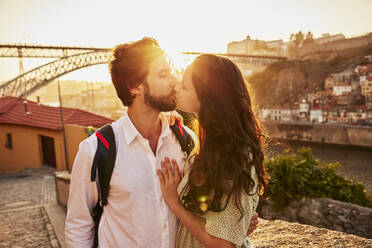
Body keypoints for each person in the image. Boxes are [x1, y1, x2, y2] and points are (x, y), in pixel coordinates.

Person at [65, 38, 258, 248]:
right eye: (163, 74)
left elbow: (208, 208)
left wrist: (234, 224)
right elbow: (78, 226)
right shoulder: (95, 151)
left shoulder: (186, 141)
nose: (175, 81)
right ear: (134, 87)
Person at [157, 54, 267, 248]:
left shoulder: (234, 155)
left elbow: (223, 244)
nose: (177, 87)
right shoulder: (212, 144)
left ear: (207, 96)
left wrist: (173, 202)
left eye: (184, 85)